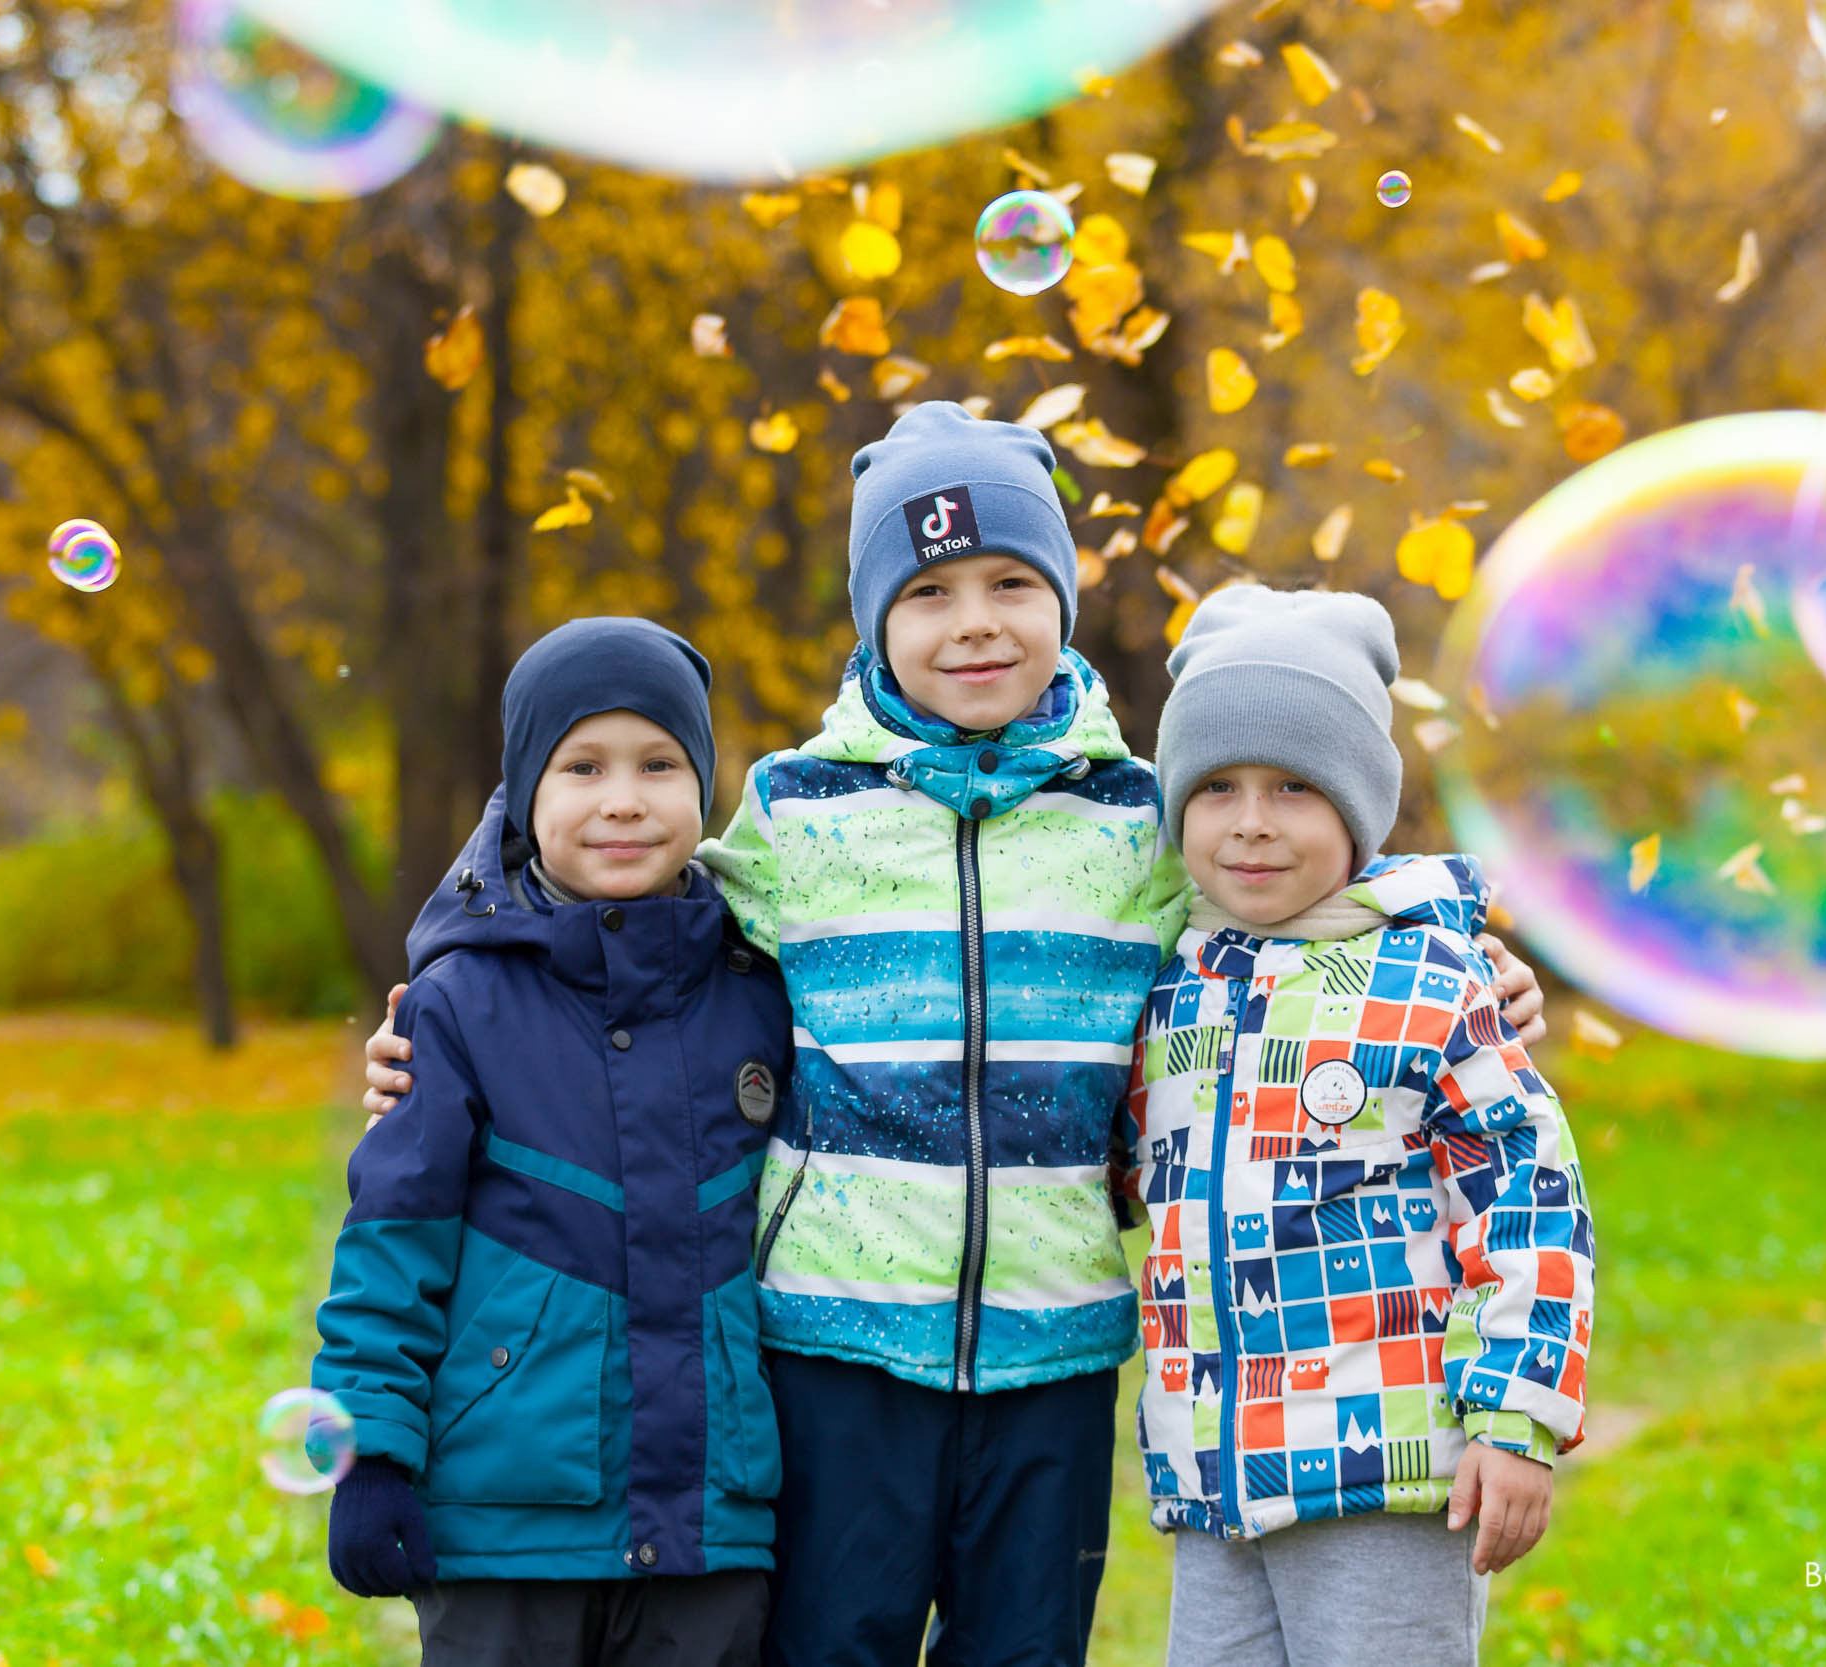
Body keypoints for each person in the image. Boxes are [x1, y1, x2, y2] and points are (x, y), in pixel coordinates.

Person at [364, 404, 1549, 1666]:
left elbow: (1292, 900)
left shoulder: (1137, 821)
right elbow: (627, 927)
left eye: (1009, 582)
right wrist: (448, 982)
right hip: (835, 1335)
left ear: (1063, 601)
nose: (973, 619)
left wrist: (1457, 945)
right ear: (874, 619)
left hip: (1056, 1342)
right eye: (927, 591)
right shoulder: (795, 814)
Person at [1127, 585, 1596, 1667]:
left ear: (1358, 806)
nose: (1250, 819)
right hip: (1215, 1475)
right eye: (1216, 787)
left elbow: (1529, 1198)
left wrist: (1516, 1420)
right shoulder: (1166, 987)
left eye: (1294, 786)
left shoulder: (1429, 979)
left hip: (1384, 1466)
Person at [314, 618, 795, 1667]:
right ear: (524, 794)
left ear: (703, 785)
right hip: (507, 1523)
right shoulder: (457, 1002)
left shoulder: (760, 993)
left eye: (658, 764)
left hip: (713, 1524)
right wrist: (371, 1455)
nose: (623, 798)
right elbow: (390, 1245)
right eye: (582, 765)